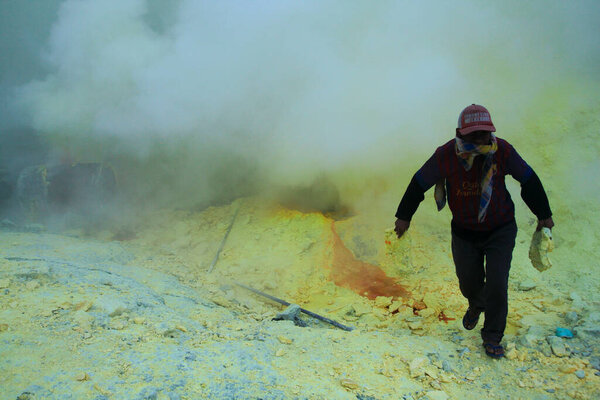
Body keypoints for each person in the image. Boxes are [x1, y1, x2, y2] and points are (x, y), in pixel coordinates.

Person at [394, 104, 554, 358]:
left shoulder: (502, 150)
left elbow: (529, 180)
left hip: (500, 228)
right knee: (468, 282)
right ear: (461, 133)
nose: (482, 139)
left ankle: (492, 335)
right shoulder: (446, 154)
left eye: (485, 133)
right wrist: (404, 217)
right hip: (464, 231)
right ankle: (476, 302)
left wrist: (544, 215)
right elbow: (419, 183)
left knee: (498, 283)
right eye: (475, 134)